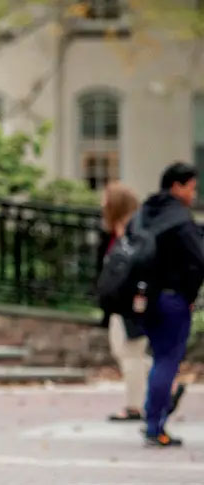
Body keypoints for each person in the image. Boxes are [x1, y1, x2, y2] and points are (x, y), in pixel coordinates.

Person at [138, 162, 204, 447]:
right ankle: (155, 424)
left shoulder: (146, 212)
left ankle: (153, 418)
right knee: (167, 360)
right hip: (172, 299)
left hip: (145, 297)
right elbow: (199, 260)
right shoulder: (179, 219)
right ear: (177, 186)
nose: (194, 193)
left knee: (158, 359)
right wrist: (190, 296)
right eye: (192, 187)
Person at [97, 183, 150, 422]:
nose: (101, 205)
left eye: (105, 200)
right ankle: (163, 385)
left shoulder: (134, 231)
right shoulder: (117, 231)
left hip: (131, 301)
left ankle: (134, 406)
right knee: (124, 351)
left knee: (131, 353)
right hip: (119, 302)